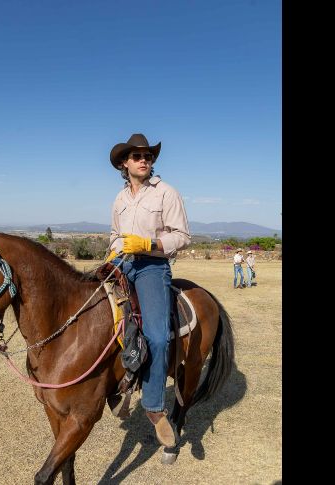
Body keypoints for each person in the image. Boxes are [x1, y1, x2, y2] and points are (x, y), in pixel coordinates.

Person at [104, 133, 191, 448]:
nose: (144, 160)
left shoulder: (166, 193)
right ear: (124, 163)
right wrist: (114, 252)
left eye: (148, 156)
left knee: (155, 335)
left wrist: (150, 244)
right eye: (137, 156)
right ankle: (117, 384)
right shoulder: (120, 198)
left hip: (152, 267)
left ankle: (154, 408)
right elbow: (115, 233)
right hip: (122, 264)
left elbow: (182, 236)